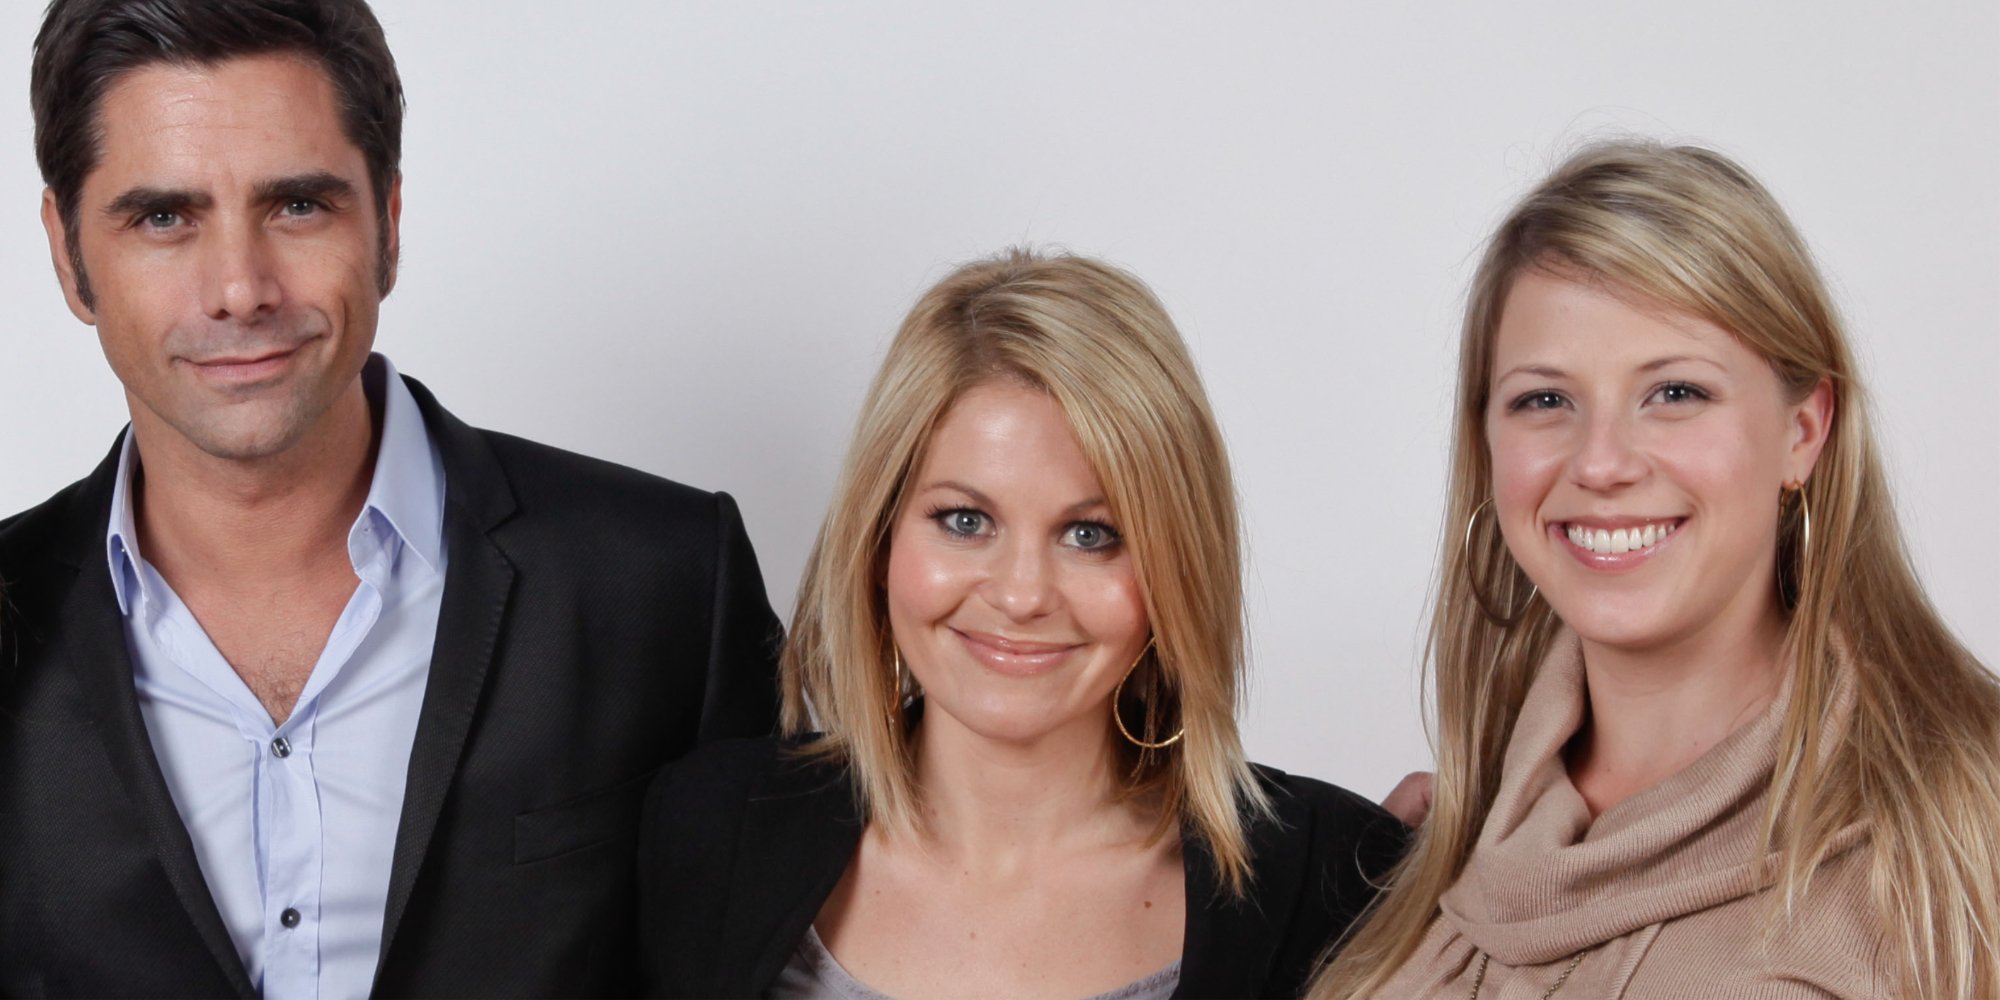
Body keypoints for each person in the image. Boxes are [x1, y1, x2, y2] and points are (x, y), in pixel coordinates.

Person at [0, 1, 782, 995]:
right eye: (164, 216)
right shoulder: (8, 604)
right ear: (69, 256)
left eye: (297, 205)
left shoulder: (666, 582)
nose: (239, 288)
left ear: (389, 227)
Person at [1311, 141, 2000, 999]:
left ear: (1804, 429)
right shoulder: (1423, 851)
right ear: (1485, 439)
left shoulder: (1965, 834)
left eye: (1675, 393)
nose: (1601, 463)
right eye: (1544, 400)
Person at [636, 249, 1408, 998]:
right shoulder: (707, 826)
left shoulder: (1336, 880)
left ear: (1179, 567)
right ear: (878, 539)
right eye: (965, 519)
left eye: (1091, 534)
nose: (1022, 594)